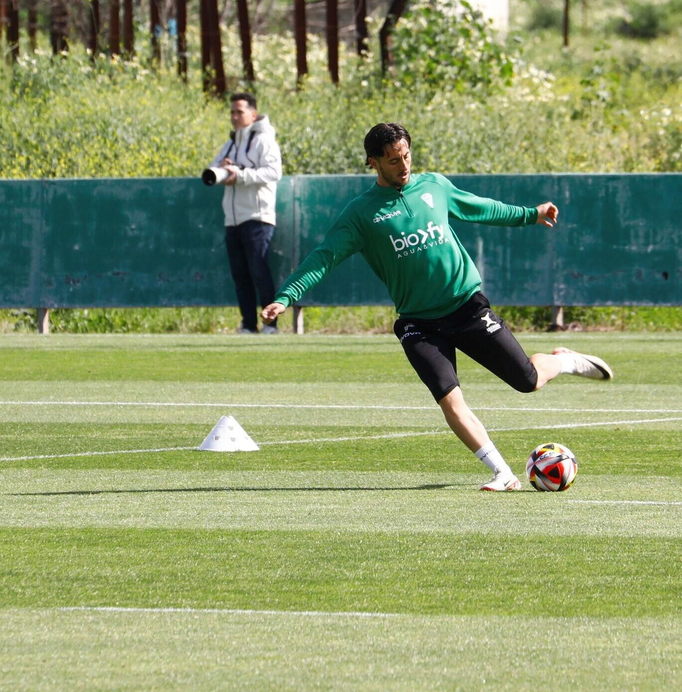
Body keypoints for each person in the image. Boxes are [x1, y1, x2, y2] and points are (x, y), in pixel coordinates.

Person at [260, 122, 612, 491]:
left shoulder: (434, 186)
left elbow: (482, 209)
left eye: (407, 155)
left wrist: (531, 213)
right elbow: (323, 257)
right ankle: (502, 472)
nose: (404, 165)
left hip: (467, 308)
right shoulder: (360, 214)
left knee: (528, 381)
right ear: (372, 162)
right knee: (449, 398)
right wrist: (285, 297)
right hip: (419, 323)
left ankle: (564, 359)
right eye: (393, 160)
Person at [210, 92, 283, 334]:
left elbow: (274, 172)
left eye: (239, 112)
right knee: (240, 275)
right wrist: (222, 170)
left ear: (253, 114)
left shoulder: (264, 140)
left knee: (259, 271)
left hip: (257, 216)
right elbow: (214, 169)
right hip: (232, 219)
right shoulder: (230, 143)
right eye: (232, 112)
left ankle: (270, 325)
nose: (234, 116)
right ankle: (248, 325)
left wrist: (241, 174)